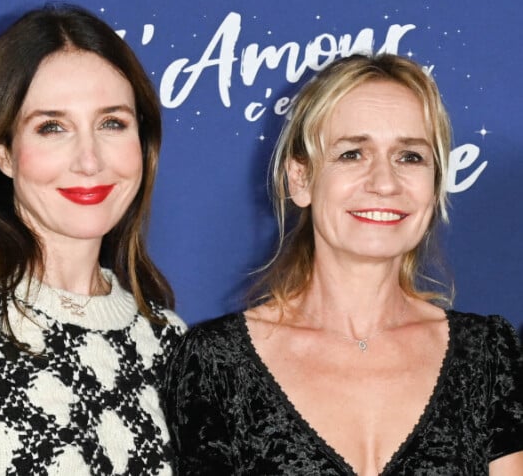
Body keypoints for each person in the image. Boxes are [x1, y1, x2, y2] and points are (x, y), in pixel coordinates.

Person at [164, 53, 523, 475]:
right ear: (300, 179)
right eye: (353, 154)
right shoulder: (215, 363)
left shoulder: (488, 354)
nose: (385, 183)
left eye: (410, 157)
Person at [0, 4, 185, 475]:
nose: (89, 160)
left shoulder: (171, 345)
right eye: (52, 127)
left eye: (112, 123)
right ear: (4, 154)